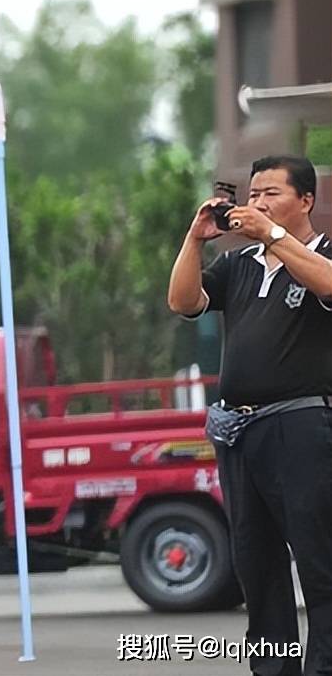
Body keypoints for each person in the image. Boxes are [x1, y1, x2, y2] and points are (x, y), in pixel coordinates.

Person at [168, 155, 332, 676]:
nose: (258, 203)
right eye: (254, 194)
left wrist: (273, 235)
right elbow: (183, 301)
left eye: (271, 194)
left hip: (303, 426)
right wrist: (196, 239)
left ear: (306, 200)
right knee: (256, 562)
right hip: (239, 429)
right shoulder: (239, 264)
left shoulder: (321, 254)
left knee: (319, 557)